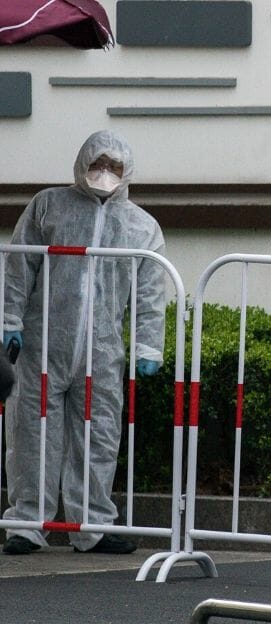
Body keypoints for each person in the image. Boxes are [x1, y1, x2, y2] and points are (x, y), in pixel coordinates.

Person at [2, 130, 166, 555]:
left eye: (114, 167)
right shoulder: (48, 206)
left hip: (102, 351)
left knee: (99, 435)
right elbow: (21, 265)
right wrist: (9, 318)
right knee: (31, 432)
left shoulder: (141, 226)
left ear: (127, 171)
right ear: (81, 164)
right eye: (98, 164)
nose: (105, 174)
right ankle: (26, 523)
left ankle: (91, 525)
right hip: (42, 345)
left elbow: (150, 293)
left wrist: (149, 346)